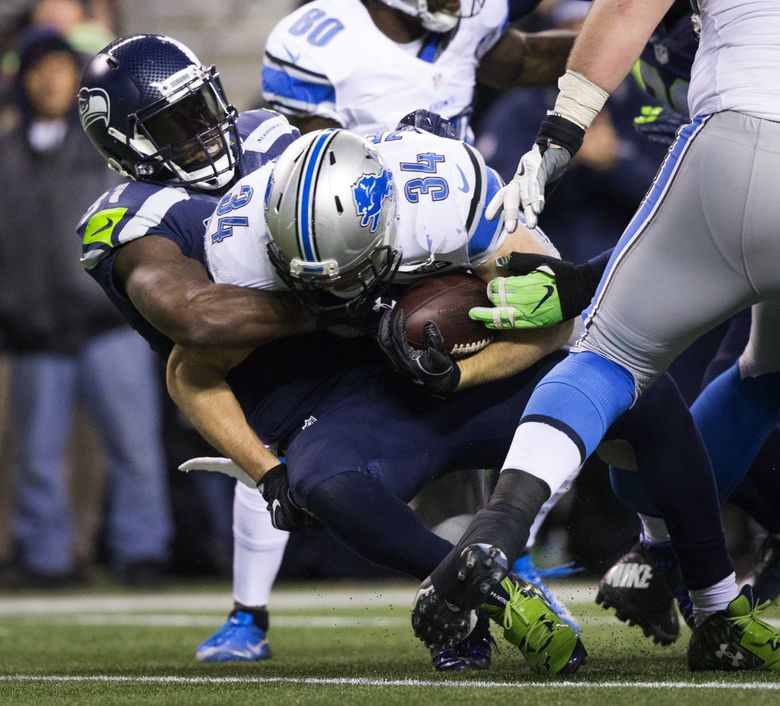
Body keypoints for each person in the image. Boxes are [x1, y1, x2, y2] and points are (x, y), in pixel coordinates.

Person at [174, 123, 753, 675]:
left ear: (391, 220)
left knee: (642, 390)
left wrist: (459, 374)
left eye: (348, 274)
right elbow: (191, 371)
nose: (334, 295)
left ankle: (715, 601)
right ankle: (478, 592)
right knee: (324, 484)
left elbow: (552, 321)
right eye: (314, 284)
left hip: (476, 372)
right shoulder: (237, 243)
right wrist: (268, 471)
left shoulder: (446, 194)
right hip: (362, 397)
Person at [415, 0, 780, 672]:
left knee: (607, 358)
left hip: (749, 135)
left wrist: (557, 137)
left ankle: (500, 528)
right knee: (765, 378)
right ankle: (708, 590)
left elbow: (625, 10)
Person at [260, 0, 581, 627]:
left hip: (458, 229)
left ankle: (514, 562)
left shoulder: (475, 20)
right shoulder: (316, 39)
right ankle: (251, 602)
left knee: (558, 331)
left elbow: (522, 56)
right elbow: (303, 187)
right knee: (303, 428)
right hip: (358, 258)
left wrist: (636, 37)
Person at [77, 32, 312, 662]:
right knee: (263, 449)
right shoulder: (134, 212)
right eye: (178, 124)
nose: (206, 131)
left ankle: (514, 558)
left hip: (339, 324)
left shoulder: (270, 135)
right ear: (126, 142)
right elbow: (195, 320)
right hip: (251, 359)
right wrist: (323, 307)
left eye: (205, 107)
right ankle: (248, 612)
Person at [0, 27, 172, 587]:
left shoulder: (106, 144)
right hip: (33, 330)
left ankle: (141, 551)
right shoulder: (6, 153)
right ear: (22, 79)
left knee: (134, 448)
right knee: (35, 458)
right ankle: (46, 558)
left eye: (59, 68)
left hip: (108, 320)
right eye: (38, 69)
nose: (49, 79)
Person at [262, 0, 575, 140]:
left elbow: (523, 61)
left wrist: (620, 46)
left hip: (469, 209)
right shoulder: (314, 47)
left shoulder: (472, 18)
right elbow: (321, 187)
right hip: (371, 237)